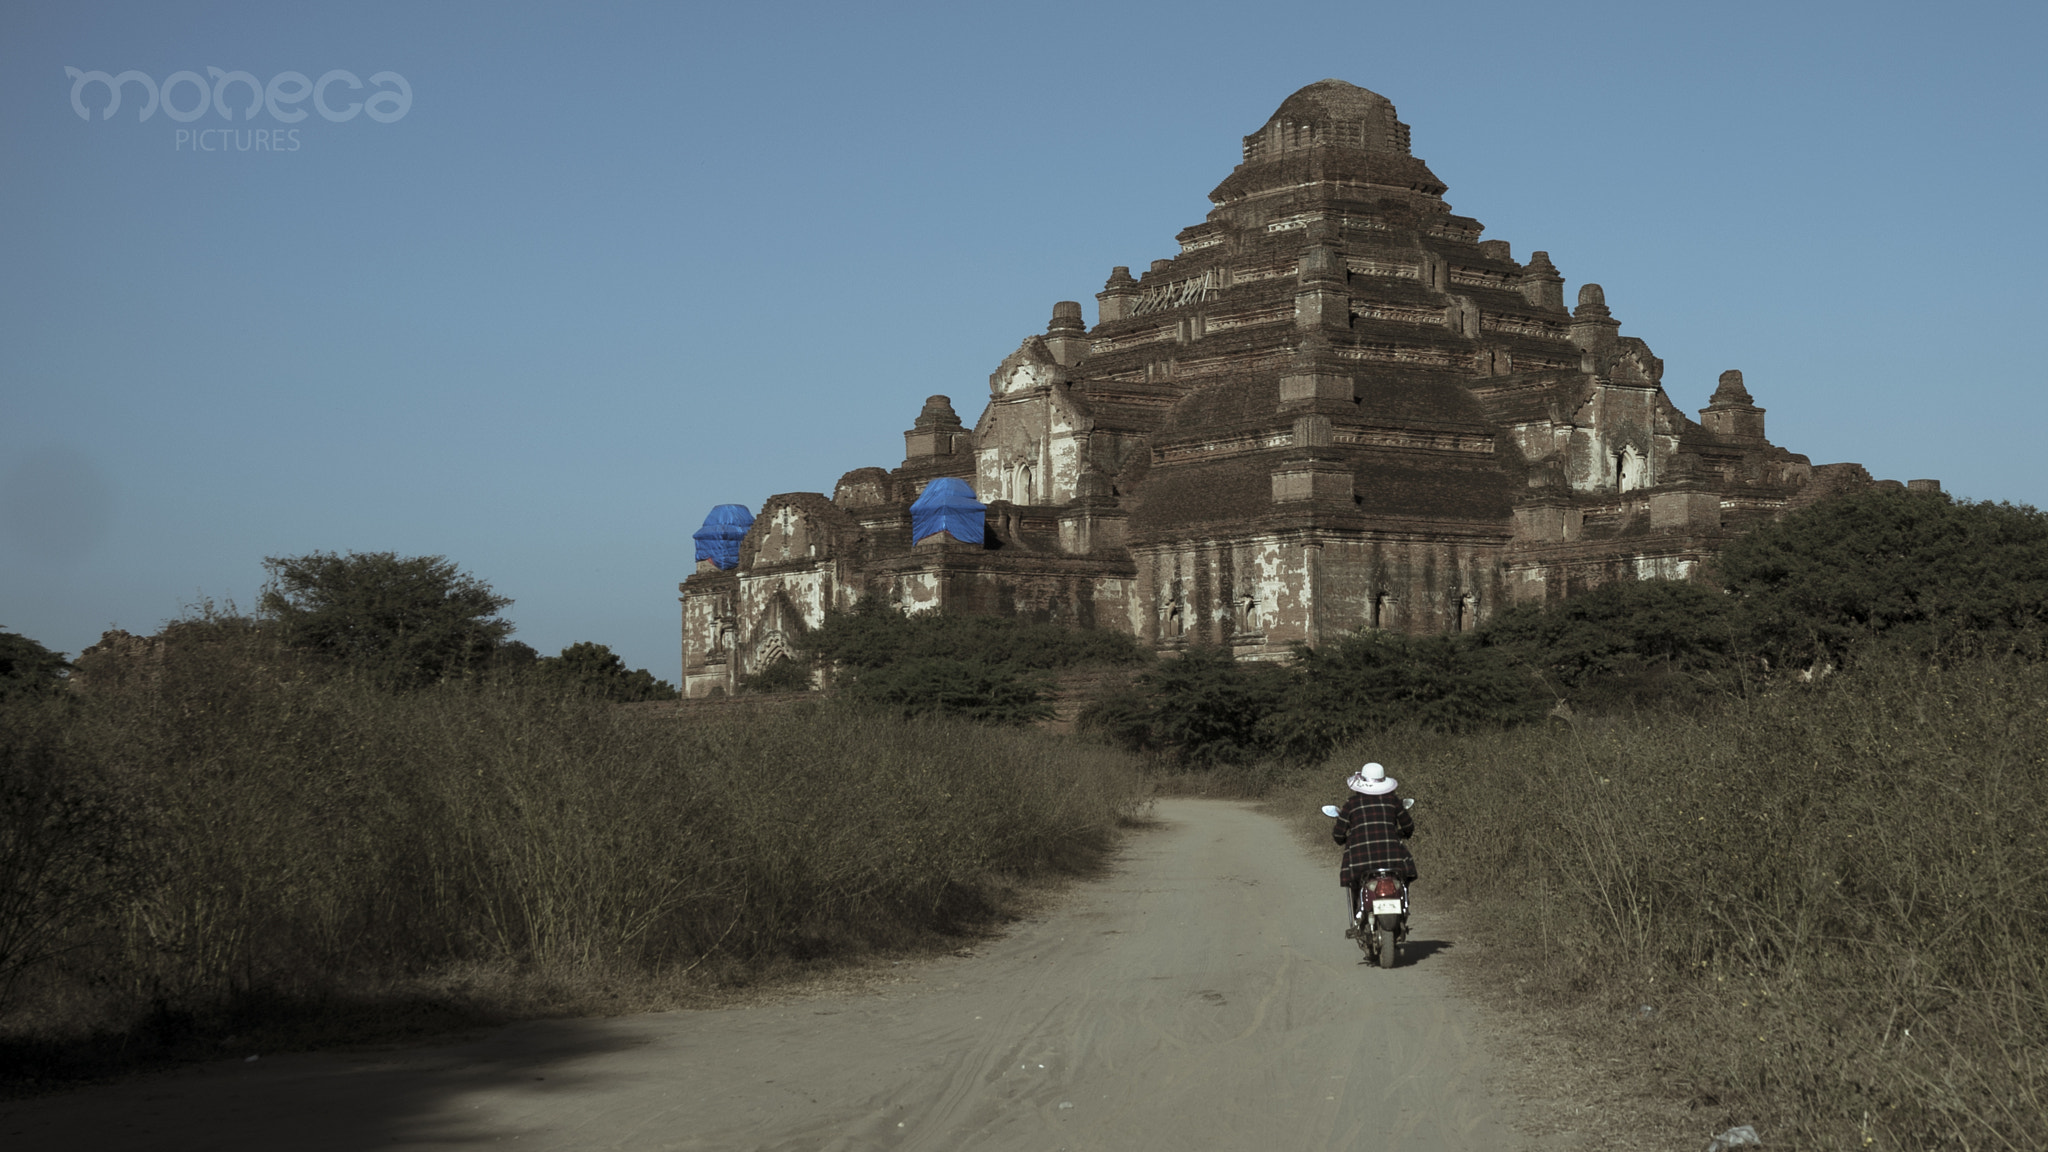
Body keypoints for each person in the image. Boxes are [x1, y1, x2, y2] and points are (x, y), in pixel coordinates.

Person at [1332, 762, 1416, 939]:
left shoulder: (1351, 804)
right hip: (1392, 859)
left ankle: (1358, 917)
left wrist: (1345, 838)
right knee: (1405, 875)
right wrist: (1402, 833)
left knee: (1354, 884)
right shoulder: (1393, 801)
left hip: (1361, 860)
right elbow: (1408, 826)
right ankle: (1404, 908)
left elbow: (1338, 835)